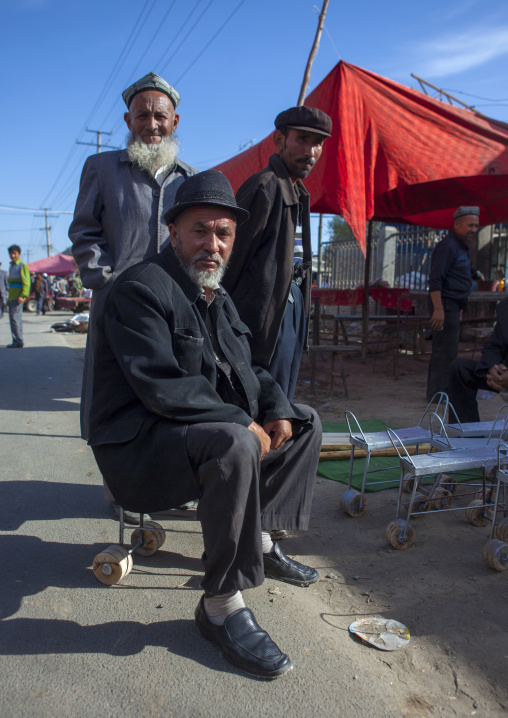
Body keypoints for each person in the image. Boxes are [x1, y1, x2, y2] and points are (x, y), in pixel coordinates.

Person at [88, 170, 322, 678]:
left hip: (187, 432)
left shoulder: (215, 295)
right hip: (139, 447)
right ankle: (219, 607)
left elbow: (248, 368)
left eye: (223, 234)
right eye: (200, 230)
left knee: (304, 421)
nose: (212, 244)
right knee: (236, 439)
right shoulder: (140, 289)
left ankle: (258, 538)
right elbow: (162, 386)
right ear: (173, 232)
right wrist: (244, 421)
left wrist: (276, 406)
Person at [69, 71, 197, 442]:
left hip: (171, 307)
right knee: (111, 389)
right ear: (128, 121)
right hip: (115, 302)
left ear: (175, 121)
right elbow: (83, 231)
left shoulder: (189, 178)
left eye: (160, 116)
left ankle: (162, 474)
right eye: (143, 115)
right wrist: (106, 281)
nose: (152, 124)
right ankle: (114, 478)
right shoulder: (102, 168)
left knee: (167, 388)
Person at [223, 106, 332, 400]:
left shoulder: (299, 193)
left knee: (283, 396)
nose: (310, 151)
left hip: (291, 306)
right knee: (261, 400)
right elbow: (230, 262)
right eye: (302, 139)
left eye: (318, 143)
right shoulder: (264, 188)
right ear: (279, 140)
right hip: (263, 315)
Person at [426, 206, 483, 400]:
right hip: (445, 304)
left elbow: (464, 267)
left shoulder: (461, 246)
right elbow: (435, 280)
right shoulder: (448, 246)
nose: (474, 230)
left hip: (453, 305)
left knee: (449, 349)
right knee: (444, 351)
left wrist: (475, 275)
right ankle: (438, 394)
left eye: (476, 226)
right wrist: (439, 309)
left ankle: (443, 391)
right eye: (470, 225)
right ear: (457, 224)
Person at [448, 296, 508, 422]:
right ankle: (466, 436)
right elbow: (493, 345)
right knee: (460, 368)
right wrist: (493, 367)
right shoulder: (505, 307)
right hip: (503, 373)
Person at [6, 245, 30, 348]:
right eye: (11, 253)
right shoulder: (11, 266)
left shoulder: (22, 265)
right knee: (13, 319)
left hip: (18, 298)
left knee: (16, 319)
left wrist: (23, 295)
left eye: (14, 253)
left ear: (19, 254)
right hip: (12, 297)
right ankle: (16, 340)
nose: (12, 255)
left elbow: (26, 282)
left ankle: (18, 341)